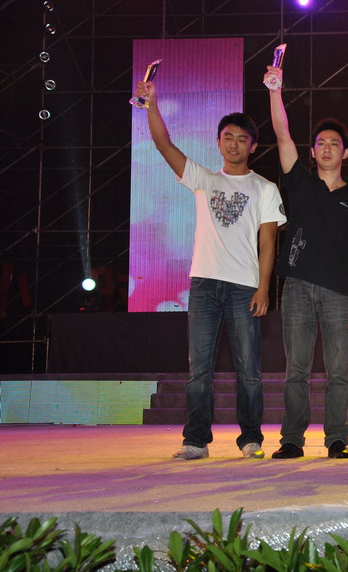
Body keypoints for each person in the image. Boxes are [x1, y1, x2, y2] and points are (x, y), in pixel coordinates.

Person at [134, 79, 285, 461]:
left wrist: (264, 288)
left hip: (244, 288)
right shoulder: (205, 179)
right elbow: (164, 145)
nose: (234, 144)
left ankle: (250, 438)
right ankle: (196, 440)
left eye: (242, 139)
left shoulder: (265, 188)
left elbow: (269, 242)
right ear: (218, 142)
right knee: (199, 369)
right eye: (227, 137)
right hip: (203, 285)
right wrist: (152, 104)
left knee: (249, 371)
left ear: (253, 146)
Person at [265, 65, 348, 460]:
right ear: (312, 152)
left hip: (339, 294)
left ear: (346, 152)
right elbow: (282, 134)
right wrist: (275, 91)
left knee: (338, 373)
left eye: (334, 144)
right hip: (296, 288)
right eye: (320, 144)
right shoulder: (300, 184)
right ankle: (292, 439)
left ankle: (337, 439)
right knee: (296, 370)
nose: (327, 148)